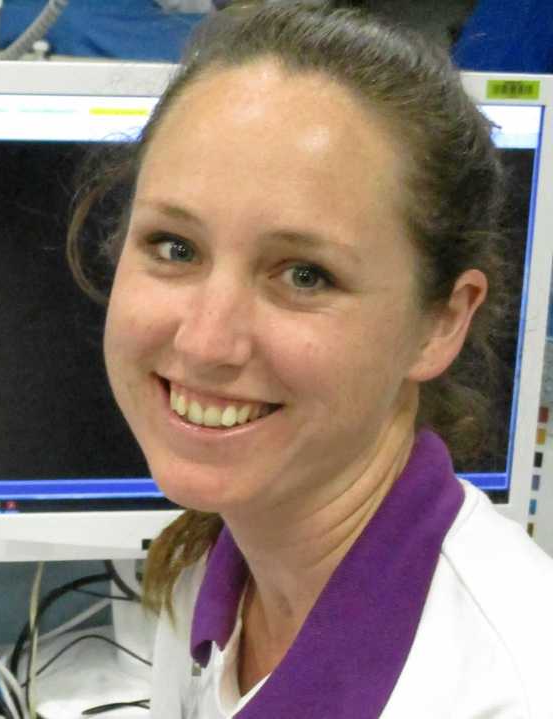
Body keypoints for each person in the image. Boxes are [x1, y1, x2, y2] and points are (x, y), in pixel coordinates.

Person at [66, 3, 553, 716]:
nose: (205, 341)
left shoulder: (517, 684)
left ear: (442, 321)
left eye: (304, 275)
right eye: (175, 247)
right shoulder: (204, 583)